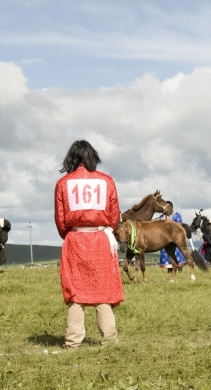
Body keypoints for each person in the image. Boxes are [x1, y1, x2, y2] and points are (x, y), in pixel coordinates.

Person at [54, 140, 124, 348]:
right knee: (103, 290)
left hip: (75, 240)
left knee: (76, 291)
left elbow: (61, 219)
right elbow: (114, 216)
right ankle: (110, 340)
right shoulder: (107, 181)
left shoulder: (63, 183)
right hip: (101, 240)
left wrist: (72, 234)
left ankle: (73, 341)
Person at [158, 201, 186, 273]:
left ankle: (179, 268)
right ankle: (169, 269)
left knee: (177, 251)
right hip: (165, 238)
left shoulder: (176, 215)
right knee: (166, 252)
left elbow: (180, 225)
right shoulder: (162, 217)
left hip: (175, 237)